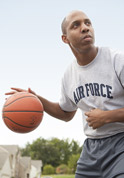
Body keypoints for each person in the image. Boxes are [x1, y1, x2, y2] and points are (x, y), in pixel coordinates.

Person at [6, 10, 124, 178]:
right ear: (65, 38)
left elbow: (104, 117)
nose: (85, 28)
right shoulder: (69, 75)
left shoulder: (117, 60)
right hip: (92, 149)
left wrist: (107, 117)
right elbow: (66, 113)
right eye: (76, 25)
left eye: (88, 23)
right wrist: (36, 99)